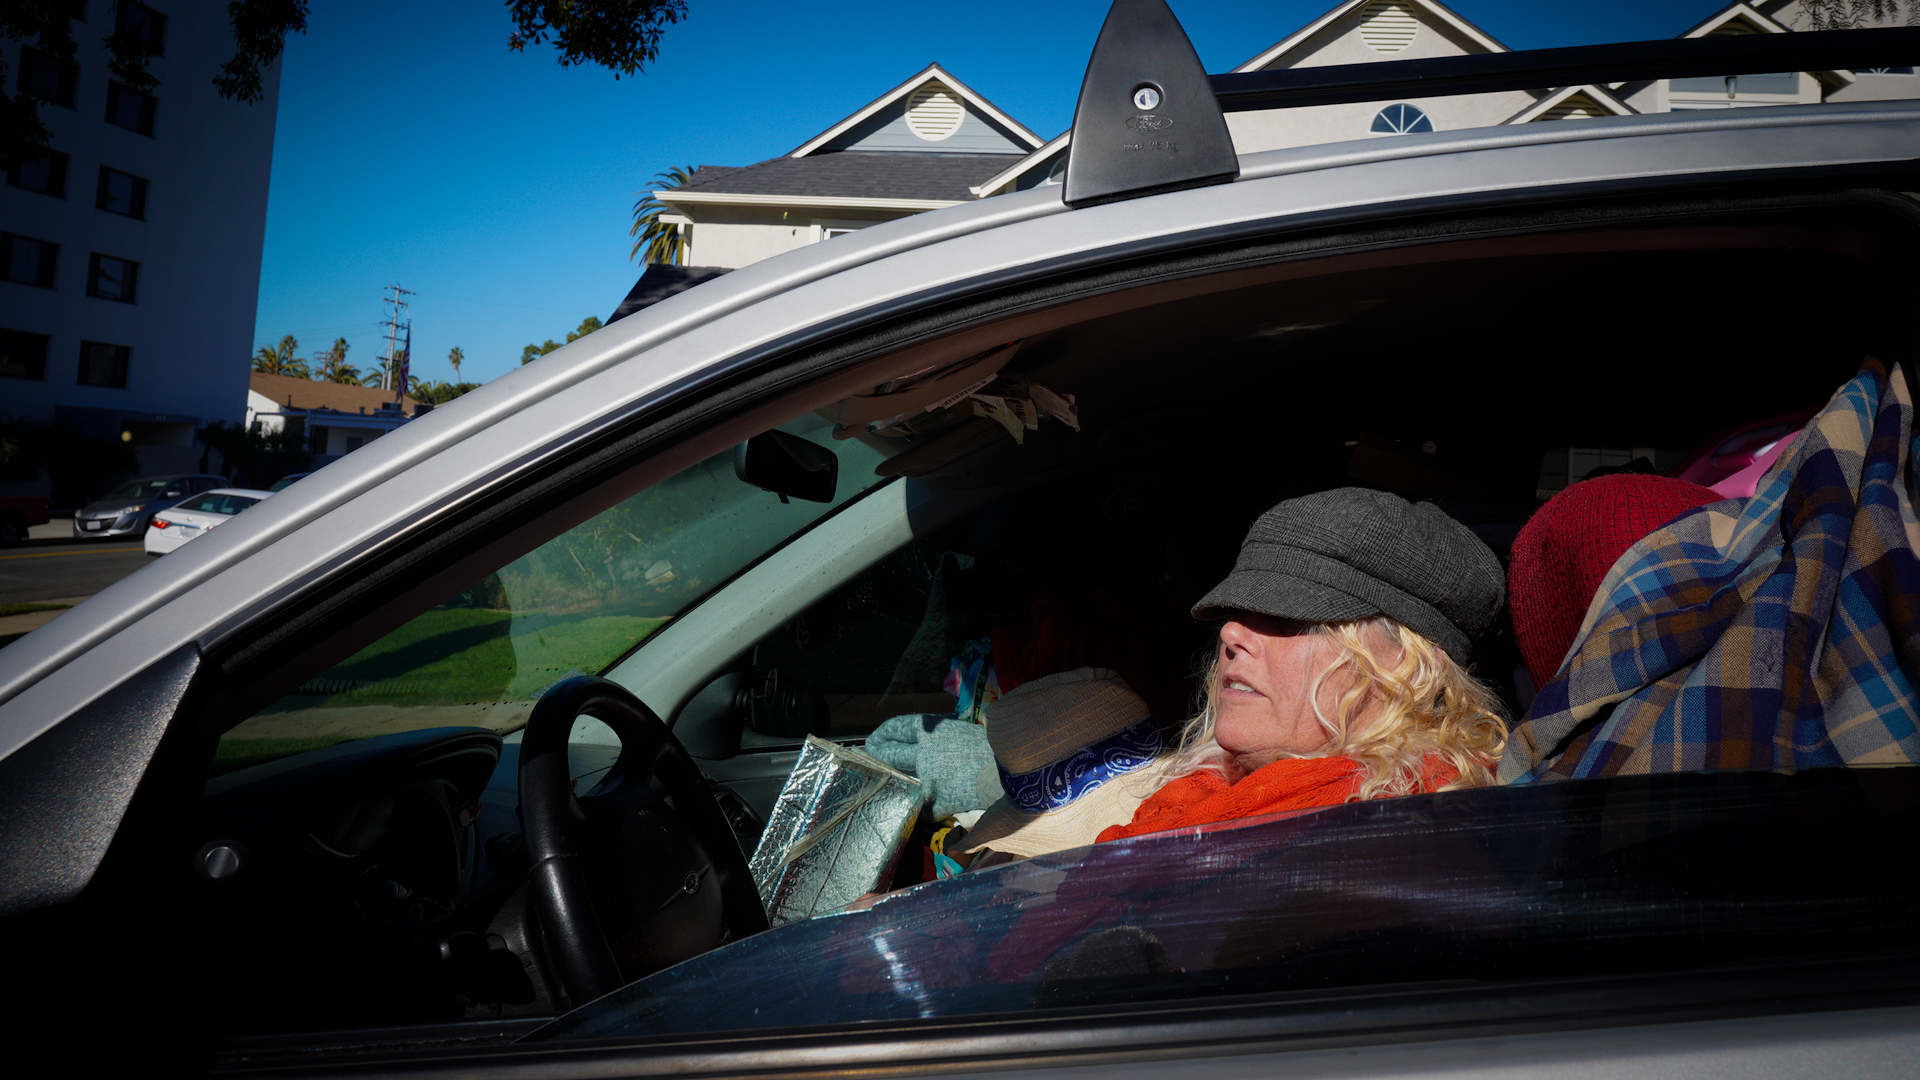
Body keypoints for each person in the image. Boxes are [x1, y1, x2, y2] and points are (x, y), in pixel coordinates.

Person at [1098, 487, 1510, 843]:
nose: (1229, 633)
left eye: (1288, 618)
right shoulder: (1197, 803)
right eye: (1237, 609)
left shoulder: (1390, 851)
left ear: (1407, 666)